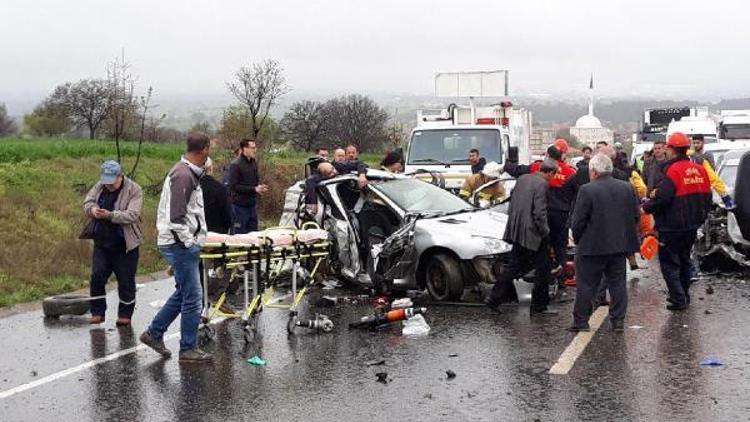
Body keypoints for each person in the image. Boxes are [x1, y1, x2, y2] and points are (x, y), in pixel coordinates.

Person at [140, 132, 212, 363]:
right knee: (194, 297)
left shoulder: (189, 173)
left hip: (179, 242)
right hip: (179, 244)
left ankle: (154, 333)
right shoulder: (183, 176)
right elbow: (176, 217)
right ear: (203, 149)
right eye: (209, 149)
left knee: (183, 293)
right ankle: (188, 348)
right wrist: (190, 244)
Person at [568, 153, 640, 332]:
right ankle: (618, 322)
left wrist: (578, 240)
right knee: (617, 284)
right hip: (619, 246)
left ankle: (581, 322)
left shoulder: (587, 190)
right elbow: (636, 216)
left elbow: (578, 221)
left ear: (593, 171)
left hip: (592, 247)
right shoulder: (627, 188)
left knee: (586, 285)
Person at [643, 132, 711, 311]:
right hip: (692, 225)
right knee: (684, 259)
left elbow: (663, 199)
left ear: (671, 150)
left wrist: (646, 208)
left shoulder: (673, 171)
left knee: (669, 263)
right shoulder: (699, 169)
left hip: (672, 226)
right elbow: (707, 197)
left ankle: (678, 299)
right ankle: (684, 295)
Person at [484, 158, 559, 314]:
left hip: (518, 230)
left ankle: (493, 298)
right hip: (534, 233)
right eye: (553, 175)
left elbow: (512, 203)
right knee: (543, 269)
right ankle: (539, 306)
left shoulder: (523, 178)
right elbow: (539, 213)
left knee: (513, 266)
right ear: (550, 173)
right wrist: (546, 233)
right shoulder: (542, 185)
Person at [504, 139, 578, 283]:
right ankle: (562, 279)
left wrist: (505, 165)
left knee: (540, 247)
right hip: (561, 216)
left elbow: (517, 171)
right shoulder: (570, 172)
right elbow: (577, 194)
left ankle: (542, 278)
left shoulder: (537, 168)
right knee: (560, 249)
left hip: (540, 214)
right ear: (562, 155)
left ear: (548, 155)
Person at [81, 160, 143, 326]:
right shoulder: (99, 186)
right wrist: (93, 210)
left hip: (125, 244)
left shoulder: (134, 189)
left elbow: (132, 215)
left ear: (120, 176)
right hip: (102, 242)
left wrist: (109, 215)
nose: (108, 186)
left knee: (125, 280)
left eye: (112, 182)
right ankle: (97, 312)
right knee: (97, 277)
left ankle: (125, 315)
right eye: (105, 181)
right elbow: (88, 202)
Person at [228, 138, 268, 234]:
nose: (255, 150)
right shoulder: (235, 165)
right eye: (252, 148)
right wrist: (254, 189)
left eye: (255, 147)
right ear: (244, 149)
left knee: (253, 234)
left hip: (252, 205)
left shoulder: (254, 162)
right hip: (239, 206)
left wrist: (259, 188)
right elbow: (233, 186)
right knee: (239, 235)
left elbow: (253, 182)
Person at [201, 157, 233, 234]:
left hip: (195, 235)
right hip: (217, 234)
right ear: (211, 169)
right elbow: (228, 215)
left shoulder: (192, 187)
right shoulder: (220, 189)